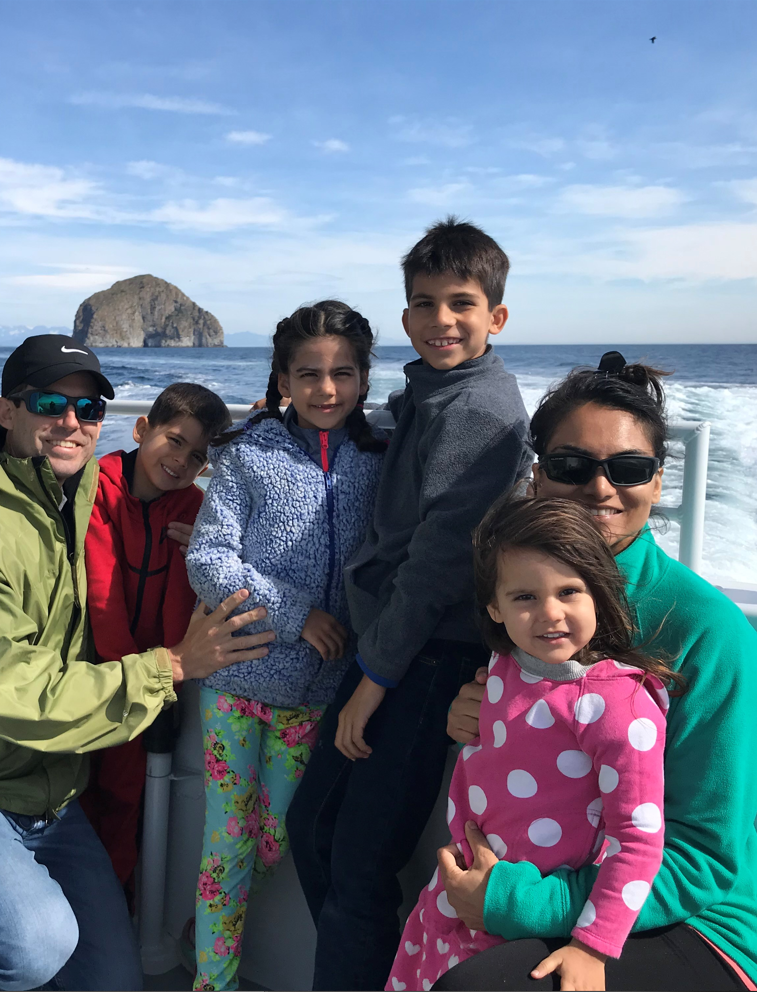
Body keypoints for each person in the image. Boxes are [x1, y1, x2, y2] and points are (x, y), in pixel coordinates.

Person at [0, 335, 275, 992]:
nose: (71, 423)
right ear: (6, 411)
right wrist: (171, 667)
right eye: (49, 403)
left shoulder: (76, 490)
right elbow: (10, 690)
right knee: (31, 950)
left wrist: (272, 425)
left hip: (39, 785)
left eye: (89, 409)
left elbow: (172, 472)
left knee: (111, 983)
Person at [435, 352, 757, 990]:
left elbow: (704, 855)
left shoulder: (710, 633)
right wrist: (477, 714)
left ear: (657, 482)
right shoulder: (527, 604)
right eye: (571, 466)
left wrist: (519, 903)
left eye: (628, 468)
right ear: (538, 477)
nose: (600, 489)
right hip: (545, 878)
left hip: (696, 922)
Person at [287, 218, 533, 990]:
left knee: (359, 863)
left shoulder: (481, 412)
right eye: (424, 304)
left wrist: (374, 682)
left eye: (461, 303)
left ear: (496, 317)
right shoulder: (431, 396)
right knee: (314, 830)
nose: (441, 320)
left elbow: (435, 565)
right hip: (392, 650)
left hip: (426, 661)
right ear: (404, 319)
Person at [389, 495, 675, 992]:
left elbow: (637, 840)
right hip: (457, 899)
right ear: (494, 608)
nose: (549, 614)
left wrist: (592, 947)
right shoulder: (505, 665)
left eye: (569, 591)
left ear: (599, 596)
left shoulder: (618, 707)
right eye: (525, 597)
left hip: (531, 915)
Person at [184, 301, 387, 990]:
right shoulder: (246, 455)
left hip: (322, 697)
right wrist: (297, 615)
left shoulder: (380, 459)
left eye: (342, 373)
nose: (325, 390)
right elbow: (208, 560)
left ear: (364, 378)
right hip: (237, 684)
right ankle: (212, 978)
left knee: (274, 840)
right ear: (281, 379)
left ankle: (203, 929)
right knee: (225, 844)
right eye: (308, 374)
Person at [79, 382, 232, 900]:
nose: (181, 460)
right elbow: (102, 596)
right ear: (142, 429)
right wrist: (148, 675)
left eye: (197, 456)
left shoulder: (192, 508)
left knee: (126, 797)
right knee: (71, 792)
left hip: (151, 687)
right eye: (174, 440)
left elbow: (175, 609)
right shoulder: (97, 486)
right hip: (92, 678)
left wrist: (163, 682)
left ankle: (110, 905)